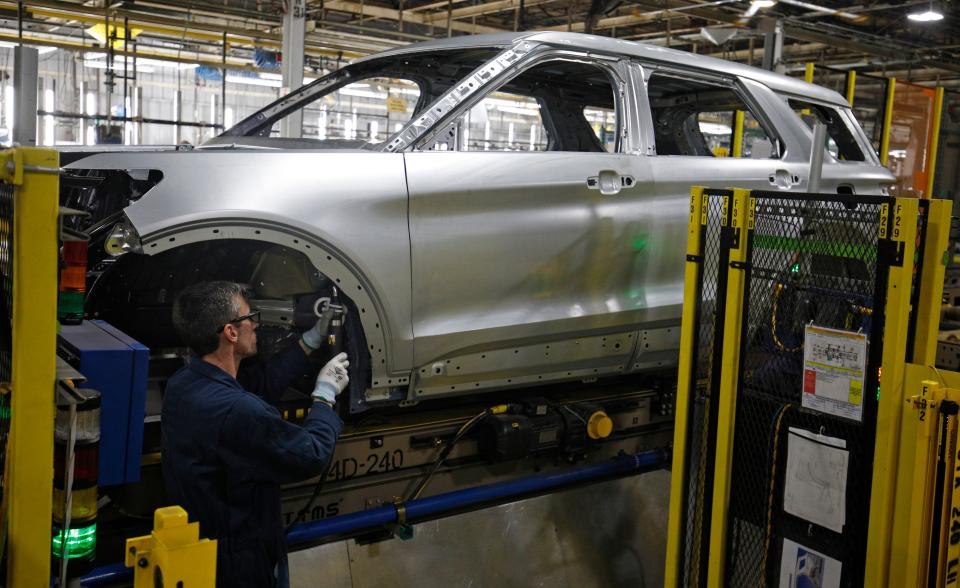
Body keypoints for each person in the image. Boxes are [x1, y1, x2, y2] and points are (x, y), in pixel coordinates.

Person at [162, 281, 348, 588]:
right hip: (240, 565)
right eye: (252, 317)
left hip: (202, 549)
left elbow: (258, 384)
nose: (257, 324)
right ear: (231, 332)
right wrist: (325, 397)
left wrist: (311, 340)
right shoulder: (238, 411)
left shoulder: (183, 384)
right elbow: (311, 453)